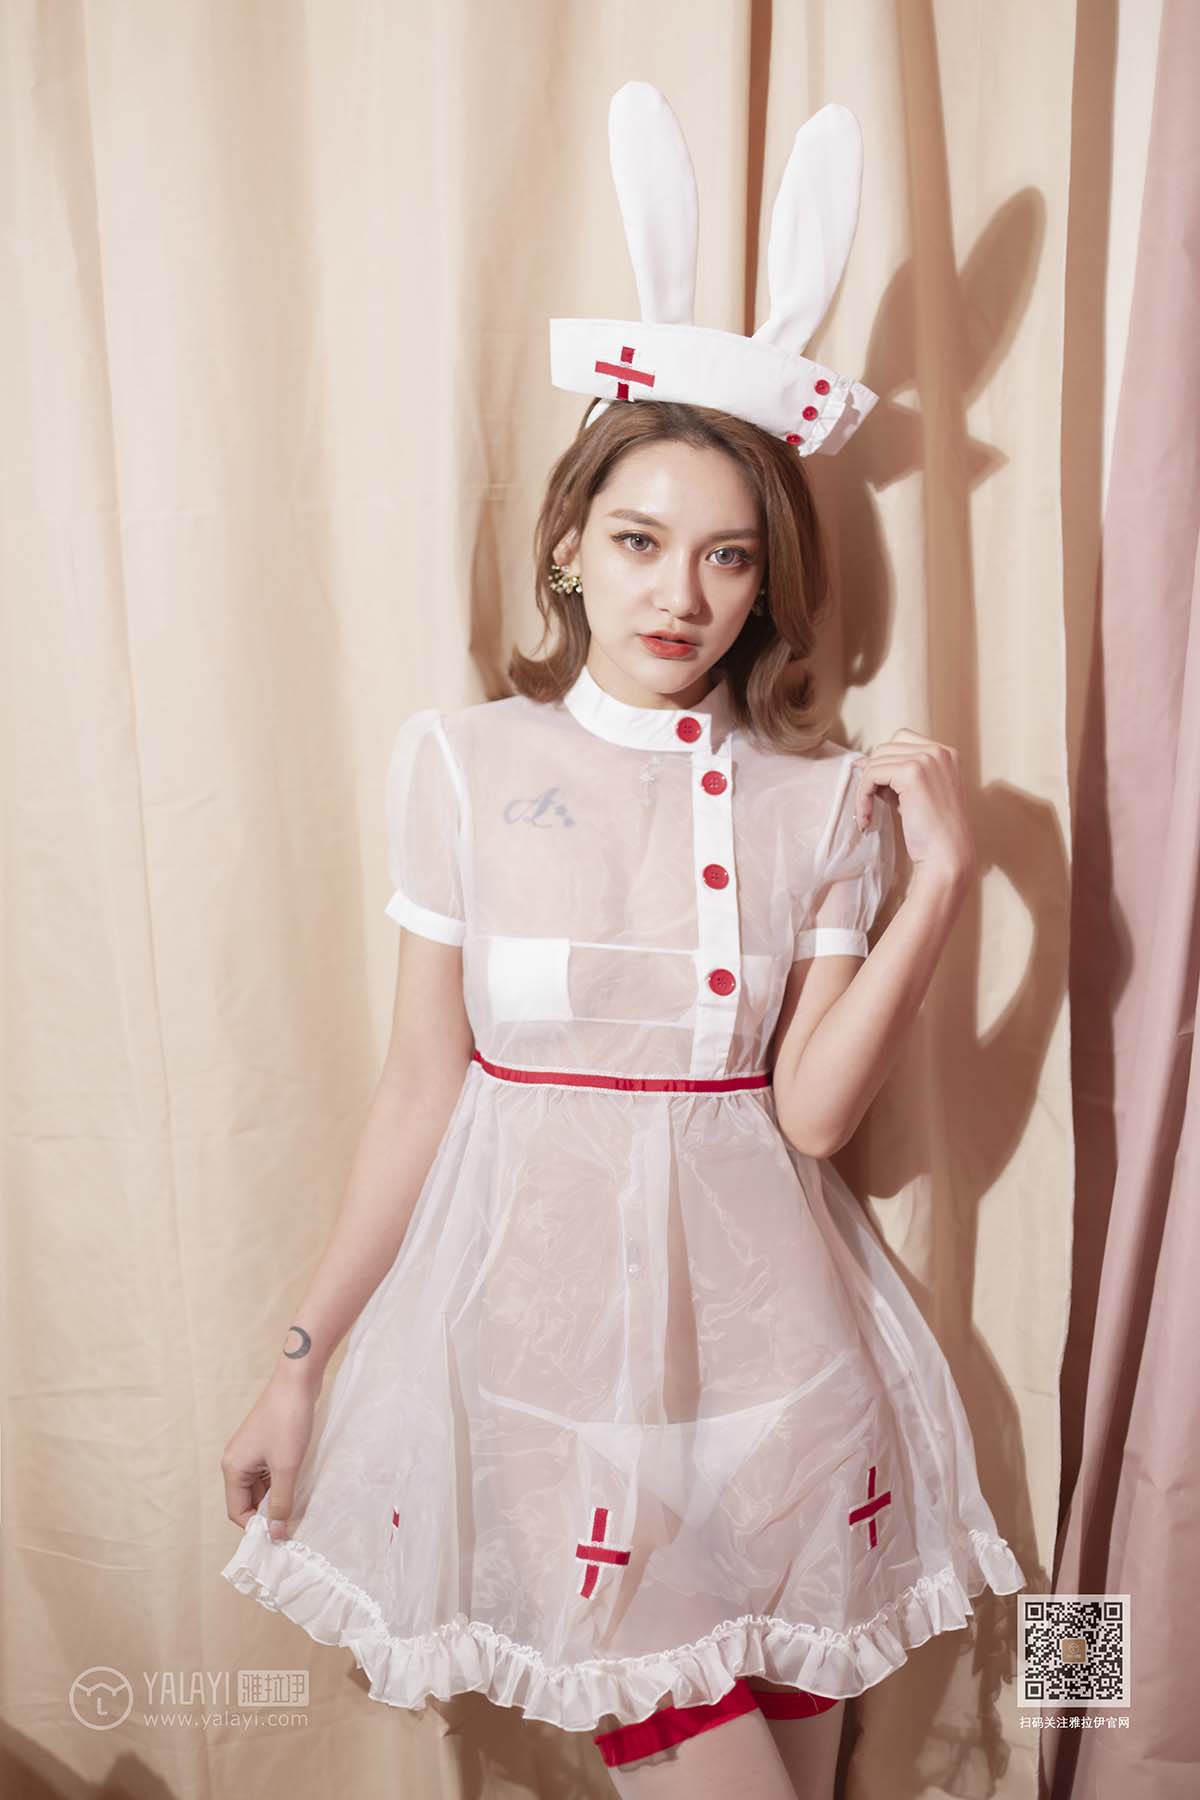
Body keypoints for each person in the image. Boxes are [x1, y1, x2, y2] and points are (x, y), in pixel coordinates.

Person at [220, 85, 1026, 1799]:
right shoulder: (462, 762)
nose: (683, 595)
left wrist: (943, 884)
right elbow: (418, 1090)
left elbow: (811, 1116)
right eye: (643, 543)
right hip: (549, 1377)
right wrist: (300, 1365)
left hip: (781, 1375)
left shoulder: (818, 800)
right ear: (570, 547)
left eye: (728, 559)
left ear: (766, 583)